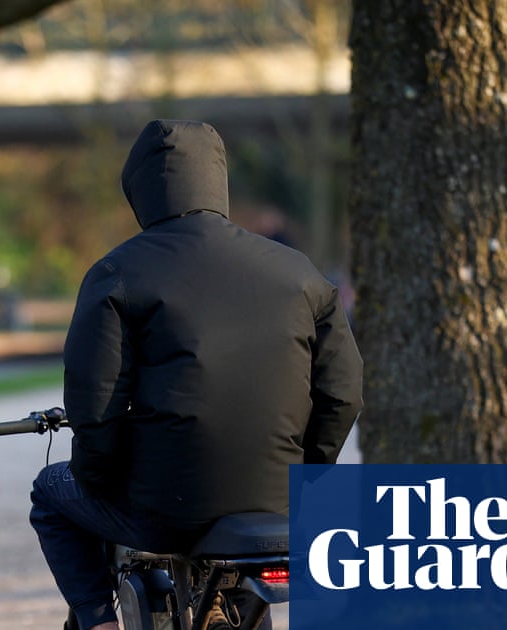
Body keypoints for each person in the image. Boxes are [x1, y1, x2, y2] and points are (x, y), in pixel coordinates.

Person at [29, 120, 363, 630]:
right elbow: (342, 392)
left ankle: (99, 622)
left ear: (140, 189)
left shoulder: (117, 274)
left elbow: (95, 405)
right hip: (278, 506)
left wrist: (97, 479)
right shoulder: (300, 273)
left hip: (167, 510)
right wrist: (307, 478)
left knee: (51, 491)